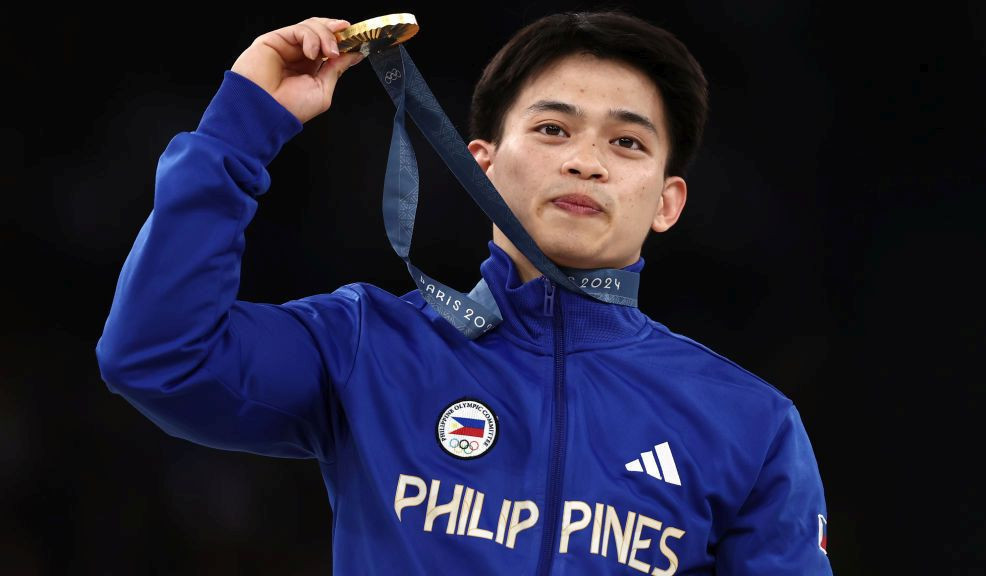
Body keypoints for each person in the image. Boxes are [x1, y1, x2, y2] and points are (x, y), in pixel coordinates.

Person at [96, 11, 833, 575]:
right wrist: (241, 126)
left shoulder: (752, 425)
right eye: (552, 128)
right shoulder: (366, 346)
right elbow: (159, 356)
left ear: (668, 202)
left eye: (627, 143)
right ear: (480, 167)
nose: (585, 162)